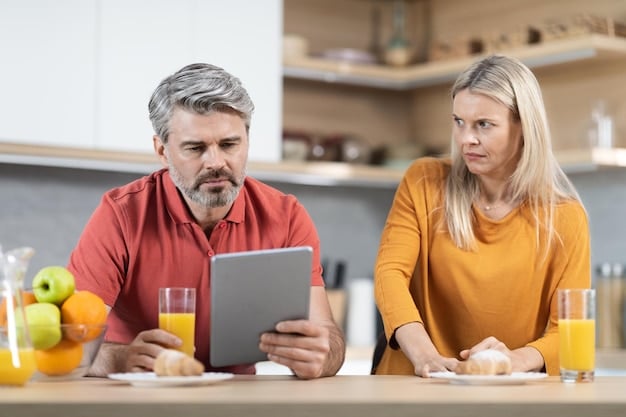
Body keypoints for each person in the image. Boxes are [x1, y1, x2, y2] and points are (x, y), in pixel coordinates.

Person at [67, 63, 345, 379]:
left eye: (229, 145)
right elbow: (70, 346)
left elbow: (329, 339)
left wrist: (324, 355)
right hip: (140, 398)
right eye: (195, 148)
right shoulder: (120, 215)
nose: (215, 163)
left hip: (240, 401)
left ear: (247, 140)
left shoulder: (286, 216)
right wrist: (118, 358)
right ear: (162, 150)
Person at [372, 55, 590, 377]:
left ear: (523, 126)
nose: (465, 139)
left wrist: (514, 360)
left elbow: (570, 330)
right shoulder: (424, 181)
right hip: (412, 386)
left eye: (483, 125)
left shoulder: (566, 219)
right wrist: (424, 356)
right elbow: (390, 273)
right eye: (459, 121)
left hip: (504, 396)